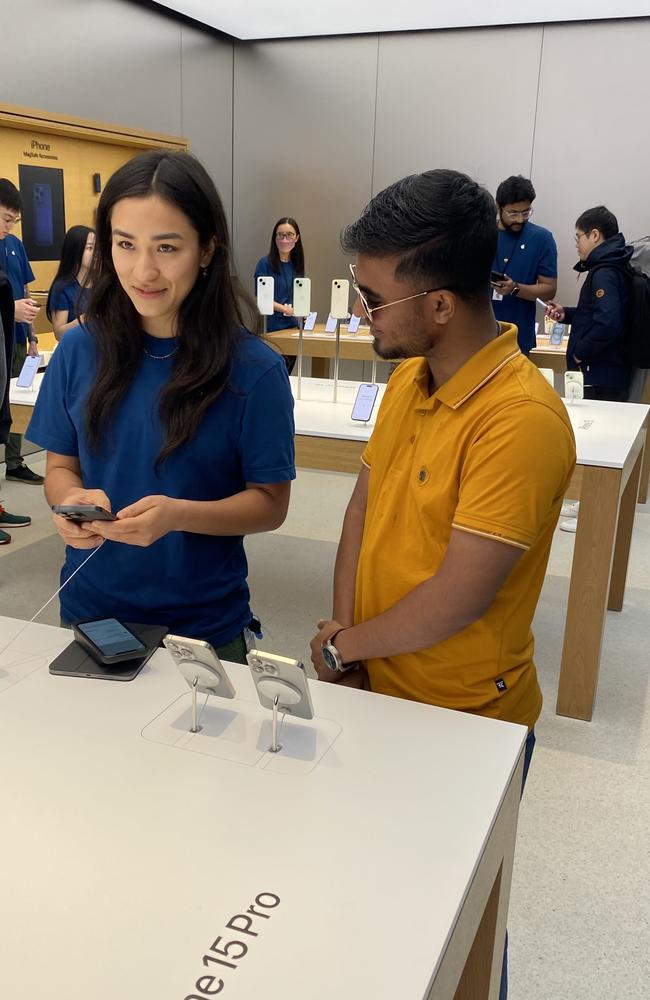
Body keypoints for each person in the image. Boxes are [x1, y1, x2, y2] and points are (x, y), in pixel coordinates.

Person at [309, 169, 576, 999]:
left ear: (438, 306)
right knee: (378, 907)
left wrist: (348, 643)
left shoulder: (520, 421)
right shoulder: (406, 385)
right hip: (377, 687)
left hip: (468, 720)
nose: (360, 312)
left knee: (462, 931)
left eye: (373, 297)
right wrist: (346, 647)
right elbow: (360, 513)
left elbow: (459, 596)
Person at [26, 150, 295, 660]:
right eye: (125, 244)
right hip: (90, 610)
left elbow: (270, 505)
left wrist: (177, 516)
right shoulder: (81, 348)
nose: (143, 270)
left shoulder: (254, 370)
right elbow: (60, 466)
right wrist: (72, 500)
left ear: (207, 250)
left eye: (167, 247)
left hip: (203, 626)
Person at [547, 206, 633, 533]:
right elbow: (593, 314)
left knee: (599, 441)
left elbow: (608, 323)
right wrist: (566, 314)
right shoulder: (607, 267)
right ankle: (585, 502)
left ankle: (593, 507)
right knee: (593, 436)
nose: (577, 244)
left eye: (579, 237)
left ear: (595, 235)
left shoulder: (606, 272)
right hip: (605, 369)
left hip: (602, 371)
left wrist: (581, 353)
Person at [0, 178, 44, 485]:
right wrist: (9, 310)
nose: (10, 227)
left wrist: (32, 336)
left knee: (15, 402)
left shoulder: (14, 245)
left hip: (15, 341)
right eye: (6, 219)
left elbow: (25, 290)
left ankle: (14, 462)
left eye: (14, 221)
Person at [491, 175, 558, 355]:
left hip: (518, 338)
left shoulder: (541, 239)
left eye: (526, 212)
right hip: (479, 335)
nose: (520, 219)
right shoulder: (482, 233)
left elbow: (549, 289)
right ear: (499, 207)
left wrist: (515, 289)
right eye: (513, 213)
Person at [46, 225, 95, 340]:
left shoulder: (102, 283)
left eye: (97, 248)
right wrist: (84, 319)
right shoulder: (62, 288)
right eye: (90, 248)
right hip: (77, 349)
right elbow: (59, 334)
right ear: (75, 250)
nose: (96, 253)